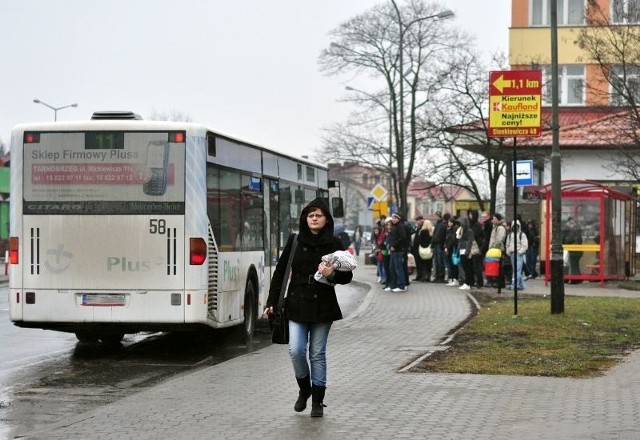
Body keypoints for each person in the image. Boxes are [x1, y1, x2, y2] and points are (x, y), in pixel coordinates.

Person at [263, 198, 353, 418]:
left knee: (317, 353)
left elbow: (348, 274)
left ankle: (318, 402)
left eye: (318, 215)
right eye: (310, 215)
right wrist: (271, 302)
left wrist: (333, 274)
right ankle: (305, 389)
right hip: (296, 303)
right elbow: (280, 273)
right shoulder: (295, 240)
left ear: (326, 219)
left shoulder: (334, 243)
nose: (314, 218)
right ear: (305, 218)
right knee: (295, 350)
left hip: (324, 305)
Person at [386, 213, 409, 292]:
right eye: (393, 218)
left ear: (399, 219)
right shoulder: (394, 227)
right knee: (391, 268)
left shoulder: (400, 226)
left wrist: (394, 245)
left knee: (398, 268)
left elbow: (402, 237)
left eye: (395, 218)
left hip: (398, 250)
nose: (393, 219)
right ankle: (393, 285)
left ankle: (401, 285)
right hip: (393, 250)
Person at [505, 219, 528, 290]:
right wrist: (508, 251)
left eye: (517, 226)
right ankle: (521, 285)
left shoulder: (522, 235)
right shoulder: (510, 235)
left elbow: (525, 245)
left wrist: (520, 252)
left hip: (518, 254)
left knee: (516, 270)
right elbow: (507, 245)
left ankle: (514, 285)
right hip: (512, 254)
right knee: (516, 270)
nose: (515, 227)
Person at [467, 210, 485, 289]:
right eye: (469, 214)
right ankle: (471, 281)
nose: (470, 216)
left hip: (476, 247)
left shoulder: (477, 225)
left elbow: (476, 234)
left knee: (477, 266)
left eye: (471, 214)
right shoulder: (470, 224)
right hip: (470, 247)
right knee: (470, 266)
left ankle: (479, 282)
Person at [563, 217, 583, 284]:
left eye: (569, 223)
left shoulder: (574, 230)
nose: (568, 225)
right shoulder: (578, 230)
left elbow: (569, 240)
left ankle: (575, 280)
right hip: (578, 251)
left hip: (574, 251)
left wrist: (566, 239)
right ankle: (579, 278)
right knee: (576, 265)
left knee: (574, 265)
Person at [414, 216, 433, 282]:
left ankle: (423, 277)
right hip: (428, 250)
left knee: (423, 263)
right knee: (428, 264)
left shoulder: (423, 231)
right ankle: (428, 277)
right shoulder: (431, 232)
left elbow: (420, 240)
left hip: (422, 249)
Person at [431, 211, 448, 283]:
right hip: (436, 244)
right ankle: (437, 276)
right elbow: (434, 234)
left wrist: (438, 242)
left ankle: (441, 276)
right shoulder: (437, 224)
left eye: (437, 216)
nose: (436, 217)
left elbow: (441, 236)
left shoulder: (442, 224)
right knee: (436, 262)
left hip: (439, 245)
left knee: (440, 261)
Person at [444, 216, 459, 286]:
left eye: (450, 222)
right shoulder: (449, 229)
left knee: (453, 264)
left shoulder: (454, 229)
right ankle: (451, 278)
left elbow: (452, 239)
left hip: (452, 248)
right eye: (448, 222)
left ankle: (454, 279)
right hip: (449, 248)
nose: (449, 223)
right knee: (449, 264)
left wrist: (448, 247)